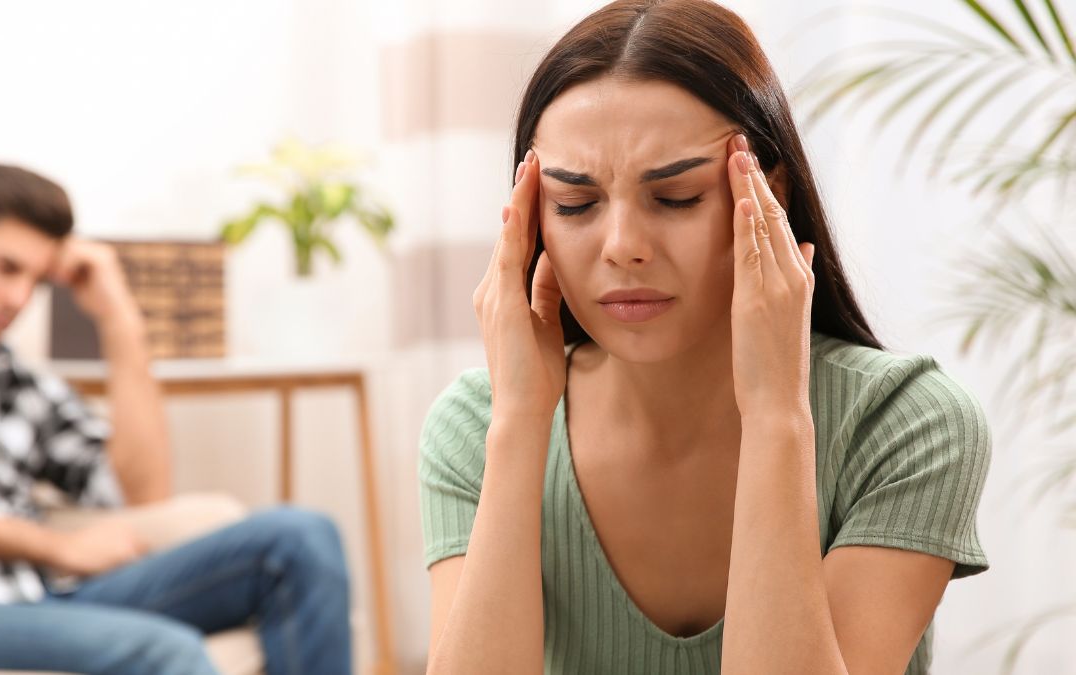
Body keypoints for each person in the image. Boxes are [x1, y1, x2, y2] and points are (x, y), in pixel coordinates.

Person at [419, 1, 991, 673]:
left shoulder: (905, 427)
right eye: (575, 204)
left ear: (766, 195)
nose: (623, 246)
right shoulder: (474, 427)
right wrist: (518, 424)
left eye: (677, 196)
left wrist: (778, 413)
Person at [0, 164, 352, 675]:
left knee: (300, 539)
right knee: (168, 651)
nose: (17, 299)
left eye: (36, 280)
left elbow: (140, 494)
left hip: (38, 598)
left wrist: (119, 320)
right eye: (6, 267)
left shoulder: (11, 378)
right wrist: (59, 547)